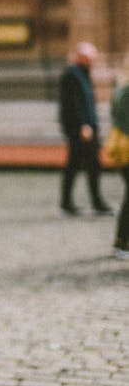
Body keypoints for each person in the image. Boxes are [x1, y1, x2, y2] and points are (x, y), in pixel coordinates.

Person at [58, 42, 112, 216]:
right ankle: (95, 202)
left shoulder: (81, 73)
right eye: (91, 58)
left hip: (86, 127)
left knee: (75, 165)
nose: (93, 61)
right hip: (81, 129)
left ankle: (68, 202)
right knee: (91, 165)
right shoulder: (73, 74)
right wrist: (84, 125)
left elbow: (87, 103)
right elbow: (75, 103)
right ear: (82, 57)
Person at [110, 61, 129, 258]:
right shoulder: (126, 90)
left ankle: (121, 241)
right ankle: (122, 242)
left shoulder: (122, 87)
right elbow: (123, 120)